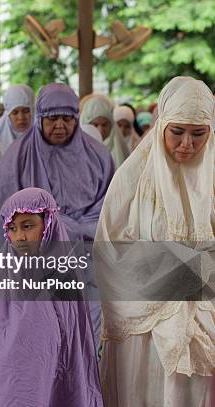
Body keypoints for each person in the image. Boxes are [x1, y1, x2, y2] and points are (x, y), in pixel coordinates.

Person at [95, 77, 214, 407]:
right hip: (145, 326)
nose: (187, 144)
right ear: (161, 124)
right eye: (177, 131)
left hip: (204, 315)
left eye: (198, 133)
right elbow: (109, 247)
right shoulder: (134, 177)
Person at [0, 188, 103, 407]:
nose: (19, 237)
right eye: (12, 228)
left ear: (48, 224)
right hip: (3, 377)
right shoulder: (1, 272)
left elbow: (74, 343)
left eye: (28, 226)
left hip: (50, 374)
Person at [0, 83, 115, 244]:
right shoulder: (17, 156)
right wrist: (45, 227)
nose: (60, 125)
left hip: (88, 247)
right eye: (53, 118)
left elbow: (109, 203)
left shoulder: (98, 155)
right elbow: (1, 209)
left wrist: (79, 230)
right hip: (34, 252)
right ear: (40, 118)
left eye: (67, 119)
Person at [80, 94, 130, 169]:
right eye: (95, 125)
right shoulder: (76, 151)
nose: (100, 130)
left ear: (111, 125)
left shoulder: (119, 149)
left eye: (104, 125)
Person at [0, 85, 35, 152]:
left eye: (26, 111)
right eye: (15, 112)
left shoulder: (44, 136)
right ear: (8, 115)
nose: (21, 117)